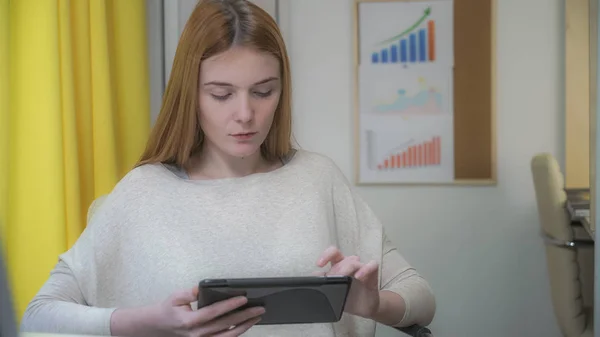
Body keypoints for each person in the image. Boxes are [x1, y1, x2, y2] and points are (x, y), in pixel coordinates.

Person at [19, 0, 436, 336]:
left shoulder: (318, 179)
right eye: (221, 94)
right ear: (191, 95)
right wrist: (149, 323)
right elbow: (38, 316)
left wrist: (373, 305)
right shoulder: (143, 192)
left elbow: (422, 298)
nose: (245, 114)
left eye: (263, 91)